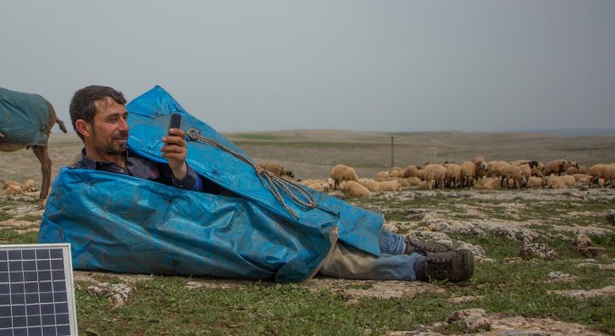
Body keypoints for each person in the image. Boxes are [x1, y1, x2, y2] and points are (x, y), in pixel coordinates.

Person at [68, 85, 474, 283]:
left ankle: (402, 243)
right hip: (214, 240)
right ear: (84, 128)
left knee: (311, 208)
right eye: (112, 120)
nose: (124, 127)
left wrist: (177, 168)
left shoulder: (148, 155)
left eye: (125, 117)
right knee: (316, 253)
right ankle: (419, 268)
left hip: (230, 213)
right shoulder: (82, 185)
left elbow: (197, 191)